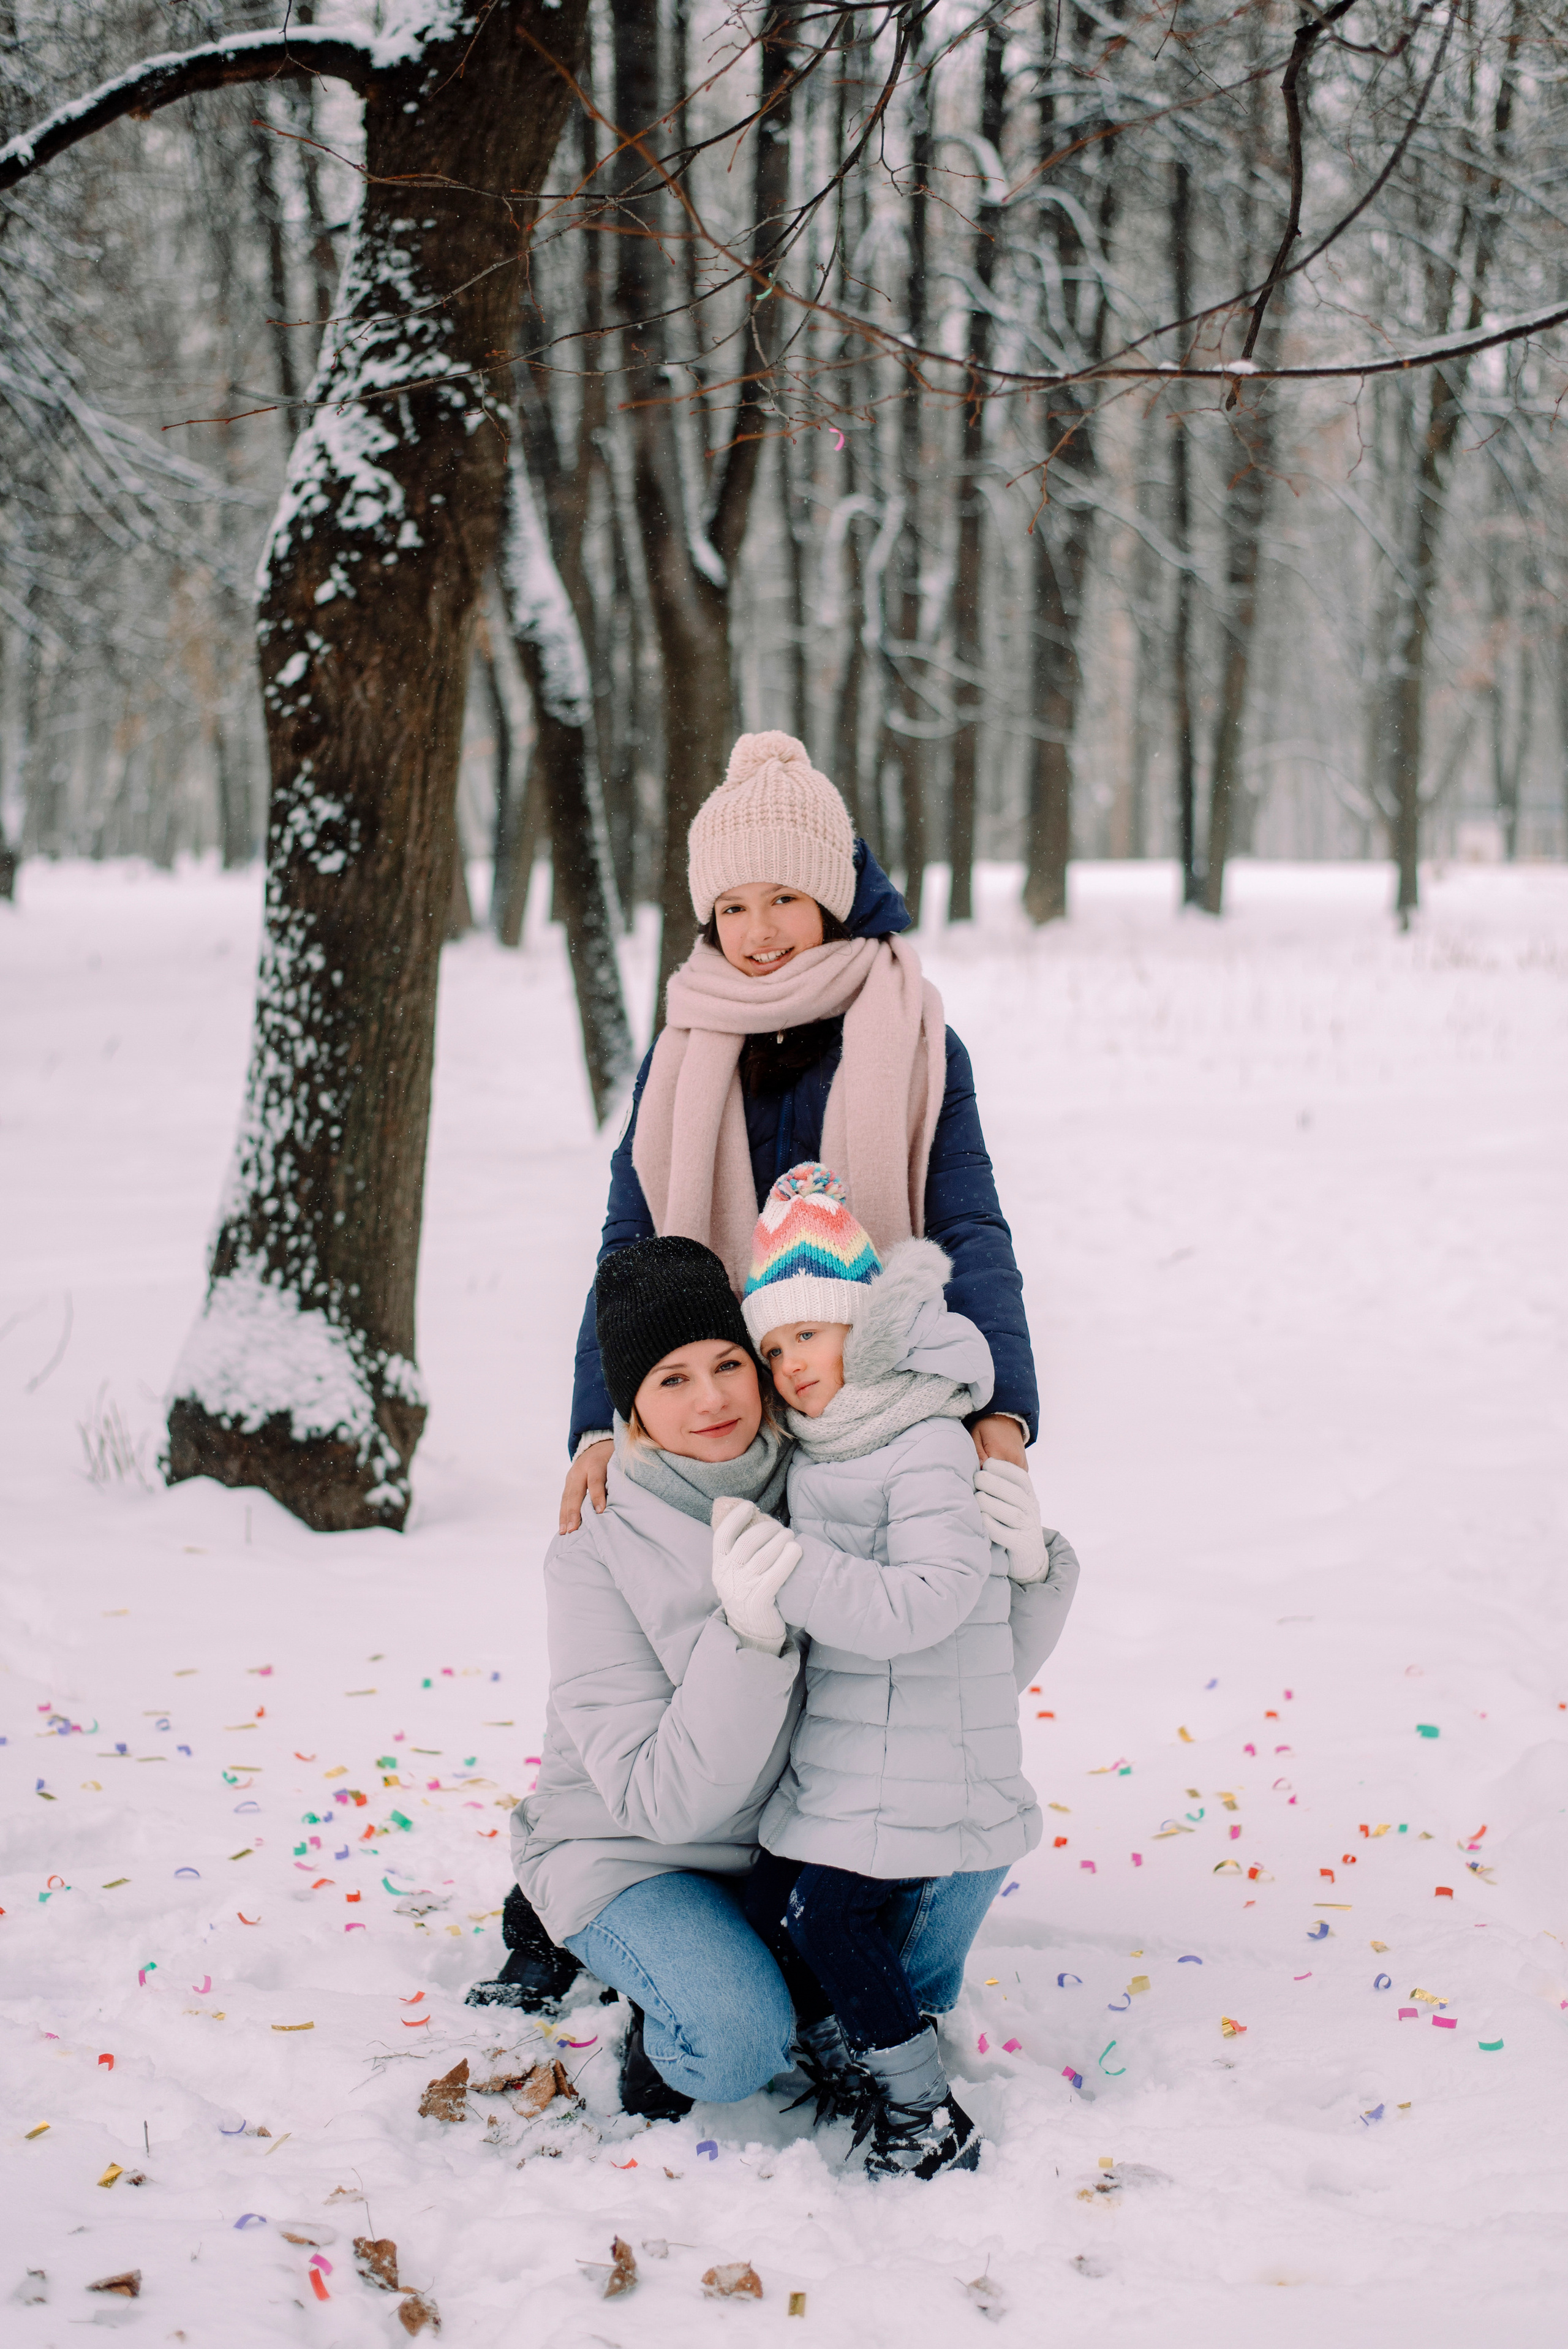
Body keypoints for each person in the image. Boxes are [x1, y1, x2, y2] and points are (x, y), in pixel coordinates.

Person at [494, 1231, 1036, 2122]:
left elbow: (946, 1679)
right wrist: (746, 1640)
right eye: (671, 1380)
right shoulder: (594, 1546)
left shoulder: (820, 1476)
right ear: (630, 1404)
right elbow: (660, 1803)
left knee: (960, 1825)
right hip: (636, 1854)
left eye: (728, 1364)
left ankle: (789, 1972)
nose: (710, 1399)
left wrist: (1025, 1574)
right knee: (738, 2039)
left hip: (783, 1843)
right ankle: (644, 1979)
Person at [560, 729, 1038, 1538]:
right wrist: (599, 1424)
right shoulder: (680, 1053)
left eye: (784, 896)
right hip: (725, 1420)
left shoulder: (912, 1035)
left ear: (829, 896)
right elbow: (631, 1249)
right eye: (733, 907)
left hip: (881, 1413)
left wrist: (1003, 1409)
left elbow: (967, 1224)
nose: (759, 930)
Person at [734, 1164, 1080, 2181]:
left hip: (925, 1750)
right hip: (856, 1750)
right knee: (768, 1906)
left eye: (811, 1332)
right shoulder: (831, 1440)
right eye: (775, 1344)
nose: (792, 1363)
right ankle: (849, 2044)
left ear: (866, 1323)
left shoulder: (923, 1435)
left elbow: (927, 1599)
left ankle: (925, 2110)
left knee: (826, 1916)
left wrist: (787, 1566)